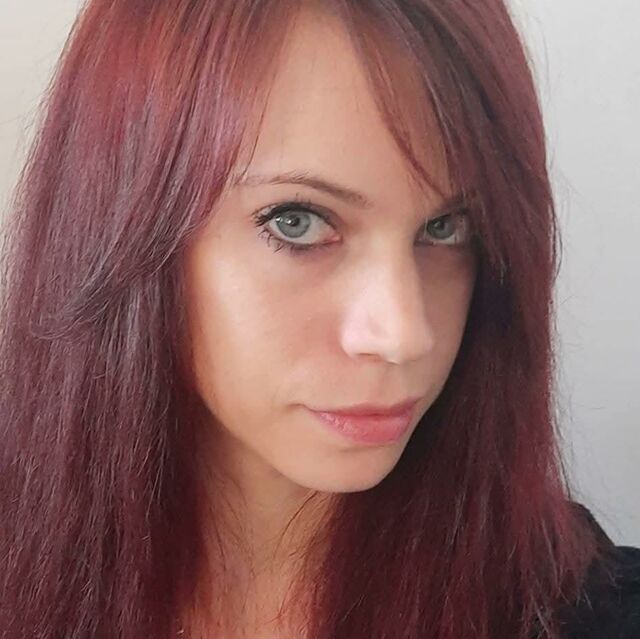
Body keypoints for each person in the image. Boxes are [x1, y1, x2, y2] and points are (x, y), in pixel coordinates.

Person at [0, 0, 637, 637]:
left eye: (446, 227)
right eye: (297, 222)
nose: (404, 335)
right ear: (121, 222)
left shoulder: (574, 608)